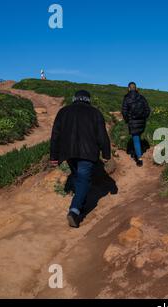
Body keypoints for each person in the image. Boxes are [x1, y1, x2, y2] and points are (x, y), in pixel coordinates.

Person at [50, 90, 111, 228]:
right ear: (88, 100)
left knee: (78, 177)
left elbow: (55, 136)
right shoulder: (95, 113)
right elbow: (102, 136)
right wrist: (106, 154)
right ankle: (75, 210)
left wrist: (54, 156)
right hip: (88, 153)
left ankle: (79, 201)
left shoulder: (63, 112)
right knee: (83, 180)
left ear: (74, 98)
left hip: (68, 153)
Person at [122, 82, 151, 167]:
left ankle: (139, 158)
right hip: (142, 122)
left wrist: (127, 120)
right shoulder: (141, 97)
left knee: (136, 138)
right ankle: (139, 151)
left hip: (132, 121)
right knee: (138, 136)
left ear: (129, 89)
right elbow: (147, 109)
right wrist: (144, 117)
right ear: (136, 88)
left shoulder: (126, 98)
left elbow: (124, 111)